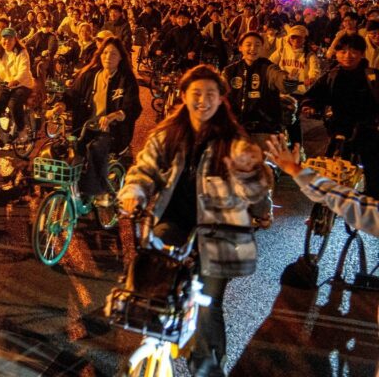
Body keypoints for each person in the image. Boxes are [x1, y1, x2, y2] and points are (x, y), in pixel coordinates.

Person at [119, 65, 272, 377]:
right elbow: (144, 168)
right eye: (196, 93)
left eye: (210, 94)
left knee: (205, 306)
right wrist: (134, 191)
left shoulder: (234, 141)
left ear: (220, 100)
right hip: (174, 223)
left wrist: (260, 208)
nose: (203, 100)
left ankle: (208, 368)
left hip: (220, 233)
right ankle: (155, 338)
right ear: (184, 96)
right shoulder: (167, 135)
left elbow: (255, 185)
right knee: (151, 278)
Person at [52, 37, 142, 204]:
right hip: (85, 127)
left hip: (113, 132)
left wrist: (115, 115)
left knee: (95, 148)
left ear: (121, 57)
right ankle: (74, 186)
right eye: (105, 53)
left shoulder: (126, 79)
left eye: (113, 54)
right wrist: (61, 105)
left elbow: (133, 107)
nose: (108, 56)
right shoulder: (89, 74)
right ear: (100, 55)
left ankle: (96, 191)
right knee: (65, 148)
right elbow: (73, 94)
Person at [300, 33, 379, 198]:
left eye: (353, 51)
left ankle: (371, 210)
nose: (347, 56)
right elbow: (315, 94)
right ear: (336, 53)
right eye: (342, 51)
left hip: (367, 130)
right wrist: (309, 106)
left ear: (362, 53)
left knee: (373, 171)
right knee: (329, 169)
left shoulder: (372, 76)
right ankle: (321, 213)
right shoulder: (332, 75)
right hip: (338, 129)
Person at [221, 32, 289, 147]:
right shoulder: (230, 71)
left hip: (264, 130)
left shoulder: (269, 68)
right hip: (237, 130)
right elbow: (221, 96)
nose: (253, 48)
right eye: (248, 44)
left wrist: (288, 80)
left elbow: (280, 79)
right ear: (240, 47)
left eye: (257, 45)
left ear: (262, 48)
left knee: (263, 164)